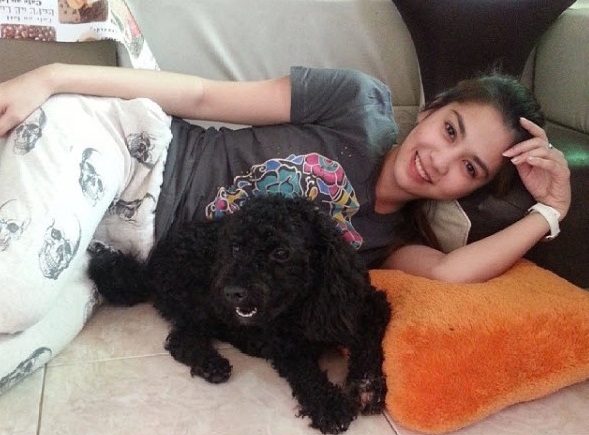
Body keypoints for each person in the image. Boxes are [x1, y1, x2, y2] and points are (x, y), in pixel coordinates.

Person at [0, 63, 571, 338]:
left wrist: (551, 212)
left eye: (469, 168)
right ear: (431, 109)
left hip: (127, 250)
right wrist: (49, 78)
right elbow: (201, 95)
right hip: (132, 151)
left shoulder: (385, 242)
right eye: (450, 129)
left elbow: (448, 273)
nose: (441, 160)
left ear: (468, 191)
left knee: (23, 343)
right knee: (15, 300)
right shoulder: (357, 103)